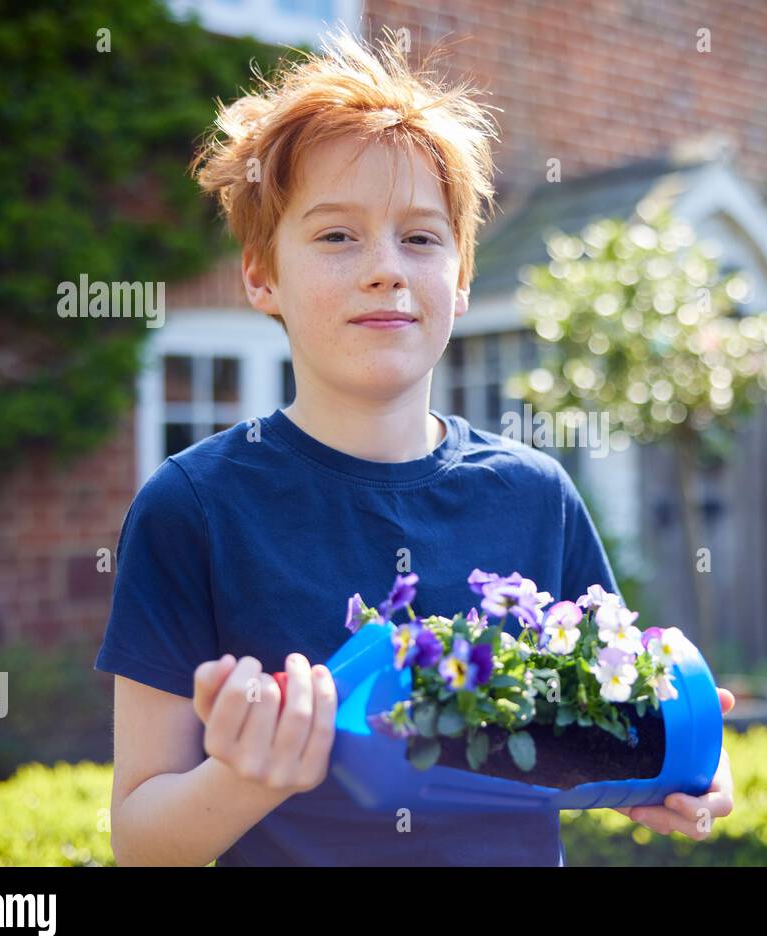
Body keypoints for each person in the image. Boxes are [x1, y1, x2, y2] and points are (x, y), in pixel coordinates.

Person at [96, 27, 733, 866]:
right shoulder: (193, 509)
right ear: (260, 275)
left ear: (462, 276)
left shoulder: (535, 493)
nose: (386, 269)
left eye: (422, 238)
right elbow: (141, 839)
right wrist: (249, 777)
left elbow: (616, 707)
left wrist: (687, 759)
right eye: (336, 236)